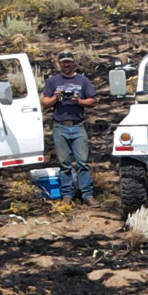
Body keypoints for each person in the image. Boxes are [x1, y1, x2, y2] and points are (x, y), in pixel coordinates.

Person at [41, 54, 98, 204]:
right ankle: (67, 194)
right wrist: (56, 97)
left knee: (83, 162)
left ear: (74, 63)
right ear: (59, 63)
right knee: (64, 163)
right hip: (60, 126)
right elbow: (45, 102)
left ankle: (87, 194)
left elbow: (93, 101)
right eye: (64, 62)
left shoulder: (82, 80)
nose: (66, 65)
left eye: (69, 62)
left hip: (78, 125)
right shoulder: (53, 81)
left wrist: (78, 101)